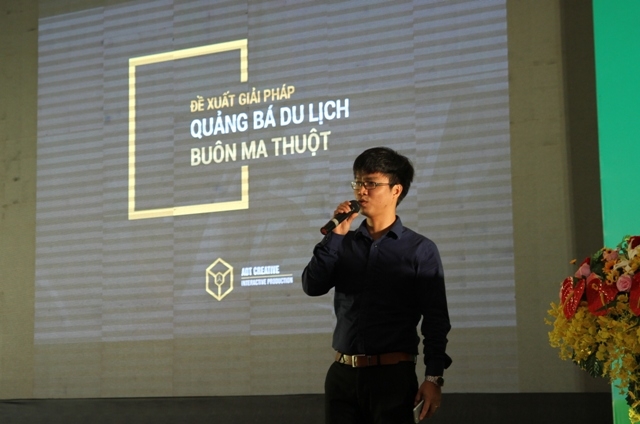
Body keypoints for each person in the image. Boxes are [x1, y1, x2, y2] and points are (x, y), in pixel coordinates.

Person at [302, 147, 452, 424]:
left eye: (371, 183)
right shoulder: (342, 243)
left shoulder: (419, 249)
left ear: (396, 190)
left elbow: (436, 319)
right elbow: (312, 285)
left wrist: (433, 377)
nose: (361, 191)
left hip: (392, 379)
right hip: (342, 376)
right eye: (358, 182)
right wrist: (335, 238)